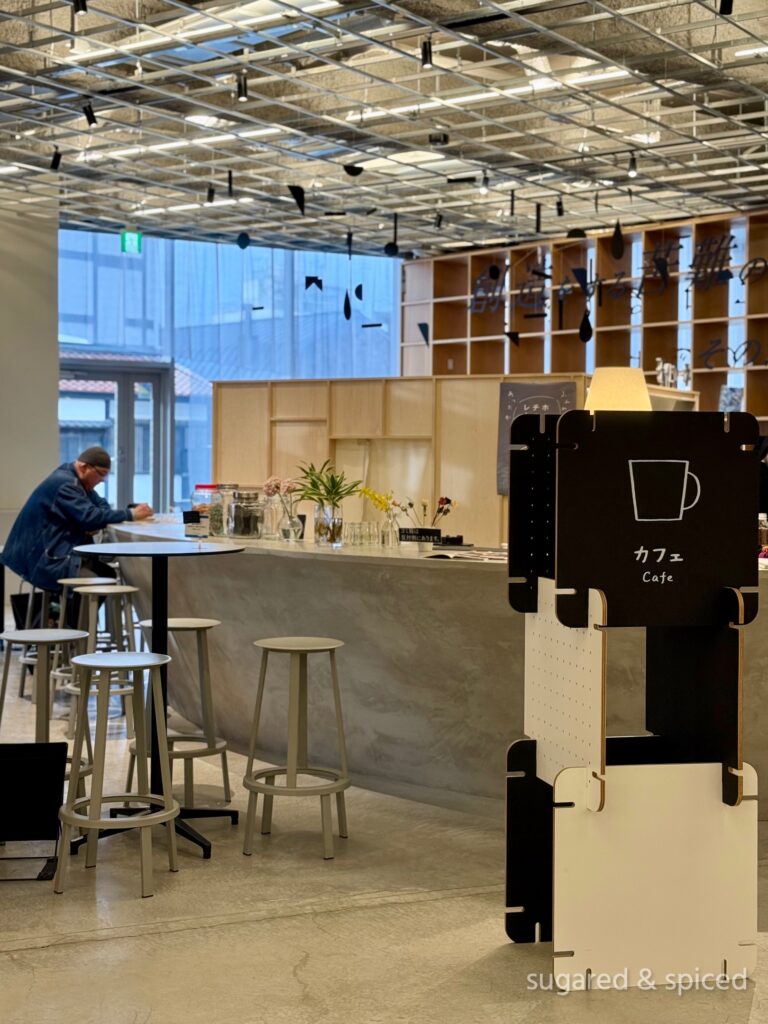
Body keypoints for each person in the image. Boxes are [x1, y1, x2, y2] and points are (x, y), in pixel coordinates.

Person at [1, 446, 153, 594]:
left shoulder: (78, 481)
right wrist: (131, 514)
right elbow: (90, 517)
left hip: (52, 554)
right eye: (101, 474)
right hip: (44, 560)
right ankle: (74, 613)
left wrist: (92, 521)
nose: (102, 480)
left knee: (108, 575)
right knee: (100, 583)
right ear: (84, 467)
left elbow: (100, 506)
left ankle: (76, 612)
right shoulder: (66, 484)